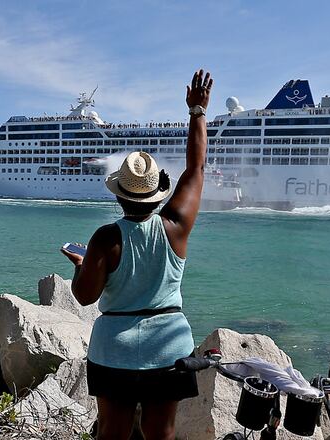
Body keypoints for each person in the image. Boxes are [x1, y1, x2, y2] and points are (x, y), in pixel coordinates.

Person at [61, 69, 213, 440]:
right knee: (161, 432)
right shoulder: (175, 226)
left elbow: (84, 296)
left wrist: (83, 266)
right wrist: (197, 111)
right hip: (170, 345)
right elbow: (195, 169)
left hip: (115, 349)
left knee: (112, 431)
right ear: (157, 193)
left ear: (118, 195)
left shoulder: (106, 238)